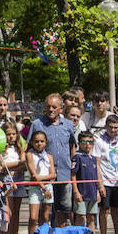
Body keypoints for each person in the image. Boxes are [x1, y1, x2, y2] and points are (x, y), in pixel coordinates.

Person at [29, 94, 75, 226]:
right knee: (45, 212)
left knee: (64, 209)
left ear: (61, 108)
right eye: (48, 107)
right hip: (44, 177)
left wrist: (70, 163)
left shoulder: (68, 124)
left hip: (64, 174)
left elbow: (72, 145)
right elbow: (28, 149)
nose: (51, 110)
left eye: (54, 107)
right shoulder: (37, 124)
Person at [92, 114, 118, 234]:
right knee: (104, 210)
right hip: (105, 182)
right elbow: (97, 163)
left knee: (117, 210)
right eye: (110, 127)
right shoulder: (100, 142)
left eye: (116, 128)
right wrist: (99, 183)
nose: (113, 130)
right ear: (106, 127)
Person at [71, 131, 102, 234]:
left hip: (92, 193)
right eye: (84, 142)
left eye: (90, 142)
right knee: (80, 216)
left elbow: (95, 176)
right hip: (82, 193)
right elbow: (73, 175)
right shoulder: (77, 157)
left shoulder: (93, 158)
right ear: (79, 143)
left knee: (91, 217)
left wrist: (98, 190)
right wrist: (76, 191)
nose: (87, 144)